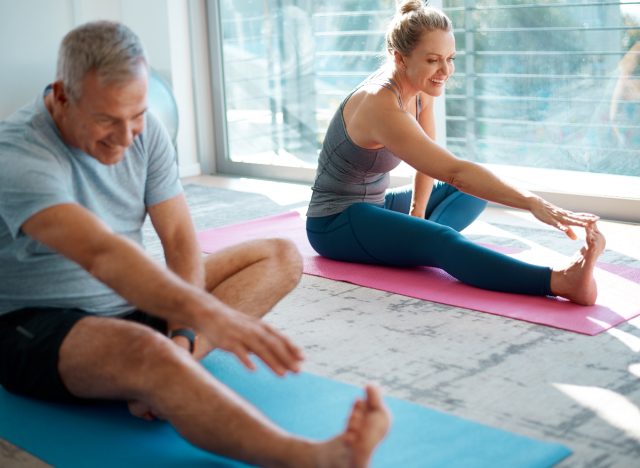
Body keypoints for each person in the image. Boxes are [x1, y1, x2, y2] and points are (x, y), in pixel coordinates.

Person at [0, 21, 389, 467]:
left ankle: (173, 363)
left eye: (137, 116)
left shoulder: (145, 132)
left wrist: (184, 333)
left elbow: (180, 238)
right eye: (107, 120)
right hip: (38, 325)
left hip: (134, 299)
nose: (127, 138)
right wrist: (210, 314)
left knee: (279, 256)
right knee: (149, 350)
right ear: (62, 96)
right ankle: (316, 459)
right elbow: (100, 253)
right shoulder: (19, 155)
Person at [306, 0, 606, 306]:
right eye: (434, 60)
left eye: (450, 58)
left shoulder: (419, 87)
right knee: (442, 239)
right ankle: (560, 281)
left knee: (473, 191)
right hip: (335, 223)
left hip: (377, 205)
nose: (445, 70)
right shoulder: (379, 103)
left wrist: (417, 214)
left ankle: (420, 240)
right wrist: (532, 203)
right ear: (400, 58)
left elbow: (432, 162)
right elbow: (453, 171)